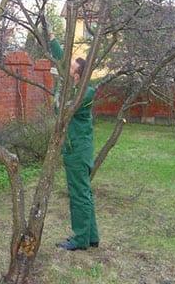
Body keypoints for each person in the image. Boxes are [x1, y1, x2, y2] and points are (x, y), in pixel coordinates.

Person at [48, 31, 100, 251]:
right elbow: (63, 60)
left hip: (77, 151)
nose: (66, 70)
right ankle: (91, 236)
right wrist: (52, 39)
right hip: (78, 149)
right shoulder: (80, 88)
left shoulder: (84, 93)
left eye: (70, 69)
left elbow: (61, 109)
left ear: (77, 75)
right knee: (84, 192)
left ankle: (80, 239)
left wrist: (58, 82)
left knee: (79, 194)